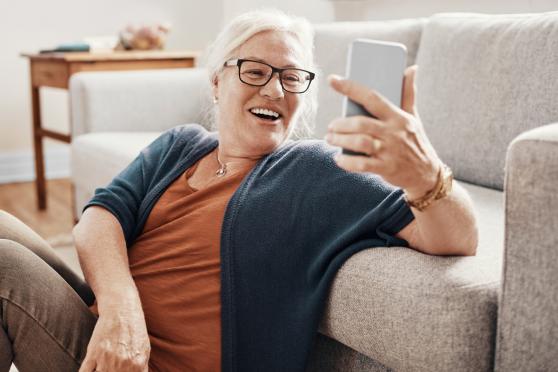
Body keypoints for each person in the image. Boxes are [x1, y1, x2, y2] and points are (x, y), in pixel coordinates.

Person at [0, 8, 477, 372]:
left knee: (6, 268)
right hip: (109, 334)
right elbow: (100, 216)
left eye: (291, 78)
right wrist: (121, 309)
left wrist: (424, 172)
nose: (274, 90)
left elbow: (457, 237)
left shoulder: (314, 169)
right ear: (216, 83)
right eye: (255, 71)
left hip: (149, 366)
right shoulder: (180, 144)